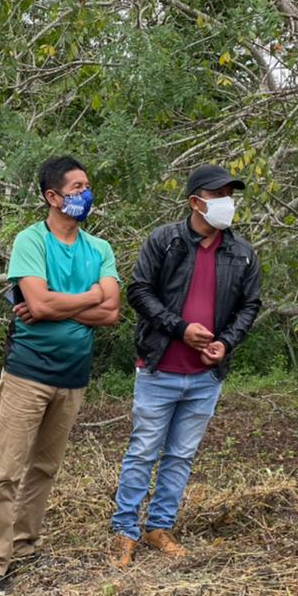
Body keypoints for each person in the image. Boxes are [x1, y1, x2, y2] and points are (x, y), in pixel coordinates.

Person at [0, 156, 120, 596]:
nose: (85, 194)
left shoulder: (100, 248)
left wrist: (58, 304)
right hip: (28, 373)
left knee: (44, 467)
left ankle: (24, 545)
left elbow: (112, 313)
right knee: (6, 469)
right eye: (76, 188)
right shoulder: (31, 241)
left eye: (87, 186)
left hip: (73, 376)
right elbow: (37, 305)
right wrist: (90, 296)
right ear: (52, 197)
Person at [110, 164, 261, 565]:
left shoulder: (242, 253)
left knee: (181, 455)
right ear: (196, 202)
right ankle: (124, 531)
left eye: (230, 195)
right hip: (159, 367)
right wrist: (179, 328)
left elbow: (250, 306)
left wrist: (226, 342)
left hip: (205, 376)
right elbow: (139, 291)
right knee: (143, 451)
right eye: (218, 195)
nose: (227, 203)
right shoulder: (164, 241)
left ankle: (159, 527)